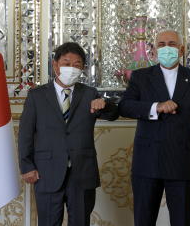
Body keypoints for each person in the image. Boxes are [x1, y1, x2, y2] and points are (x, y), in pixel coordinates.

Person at [119, 30, 190, 226]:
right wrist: (156, 106)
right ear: (153, 51)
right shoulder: (140, 77)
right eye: (161, 44)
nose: (166, 48)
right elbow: (125, 106)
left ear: (181, 49)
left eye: (172, 43)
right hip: (147, 162)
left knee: (182, 221)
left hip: (183, 162)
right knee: (144, 220)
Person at [18, 42, 119, 226]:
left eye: (77, 65)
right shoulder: (37, 96)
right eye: (66, 63)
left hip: (81, 173)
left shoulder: (90, 94)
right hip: (46, 172)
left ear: (83, 69)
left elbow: (112, 114)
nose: (71, 68)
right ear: (55, 65)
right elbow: (26, 134)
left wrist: (105, 104)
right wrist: (26, 166)